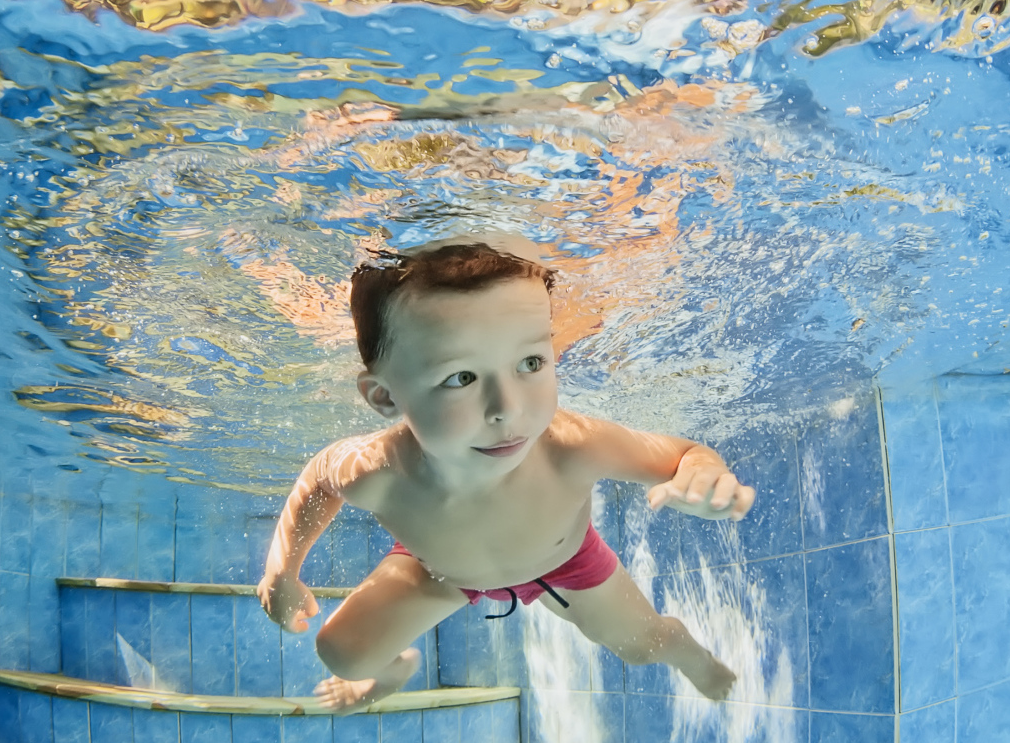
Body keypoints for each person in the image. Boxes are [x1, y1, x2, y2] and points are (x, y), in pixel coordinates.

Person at [258, 236, 755, 713]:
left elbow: (685, 454)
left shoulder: (572, 444)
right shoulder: (380, 471)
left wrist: (703, 474)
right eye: (461, 378)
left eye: (531, 362)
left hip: (566, 562)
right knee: (342, 653)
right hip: (440, 569)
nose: (508, 408)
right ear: (385, 397)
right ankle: (389, 674)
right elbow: (320, 479)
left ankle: (690, 653)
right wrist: (281, 572)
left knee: (643, 646)